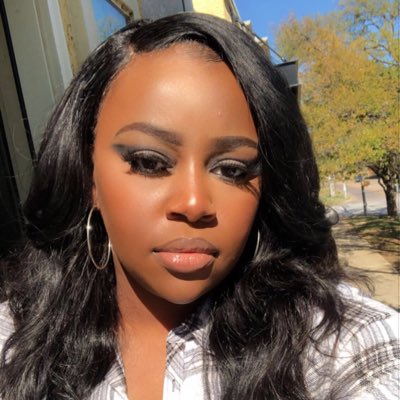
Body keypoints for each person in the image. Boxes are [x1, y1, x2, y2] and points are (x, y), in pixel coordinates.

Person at [0, 13, 397, 400]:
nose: (194, 204)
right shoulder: (16, 336)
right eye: (149, 162)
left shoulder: (337, 342)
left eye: (232, 170)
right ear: (88, 176)